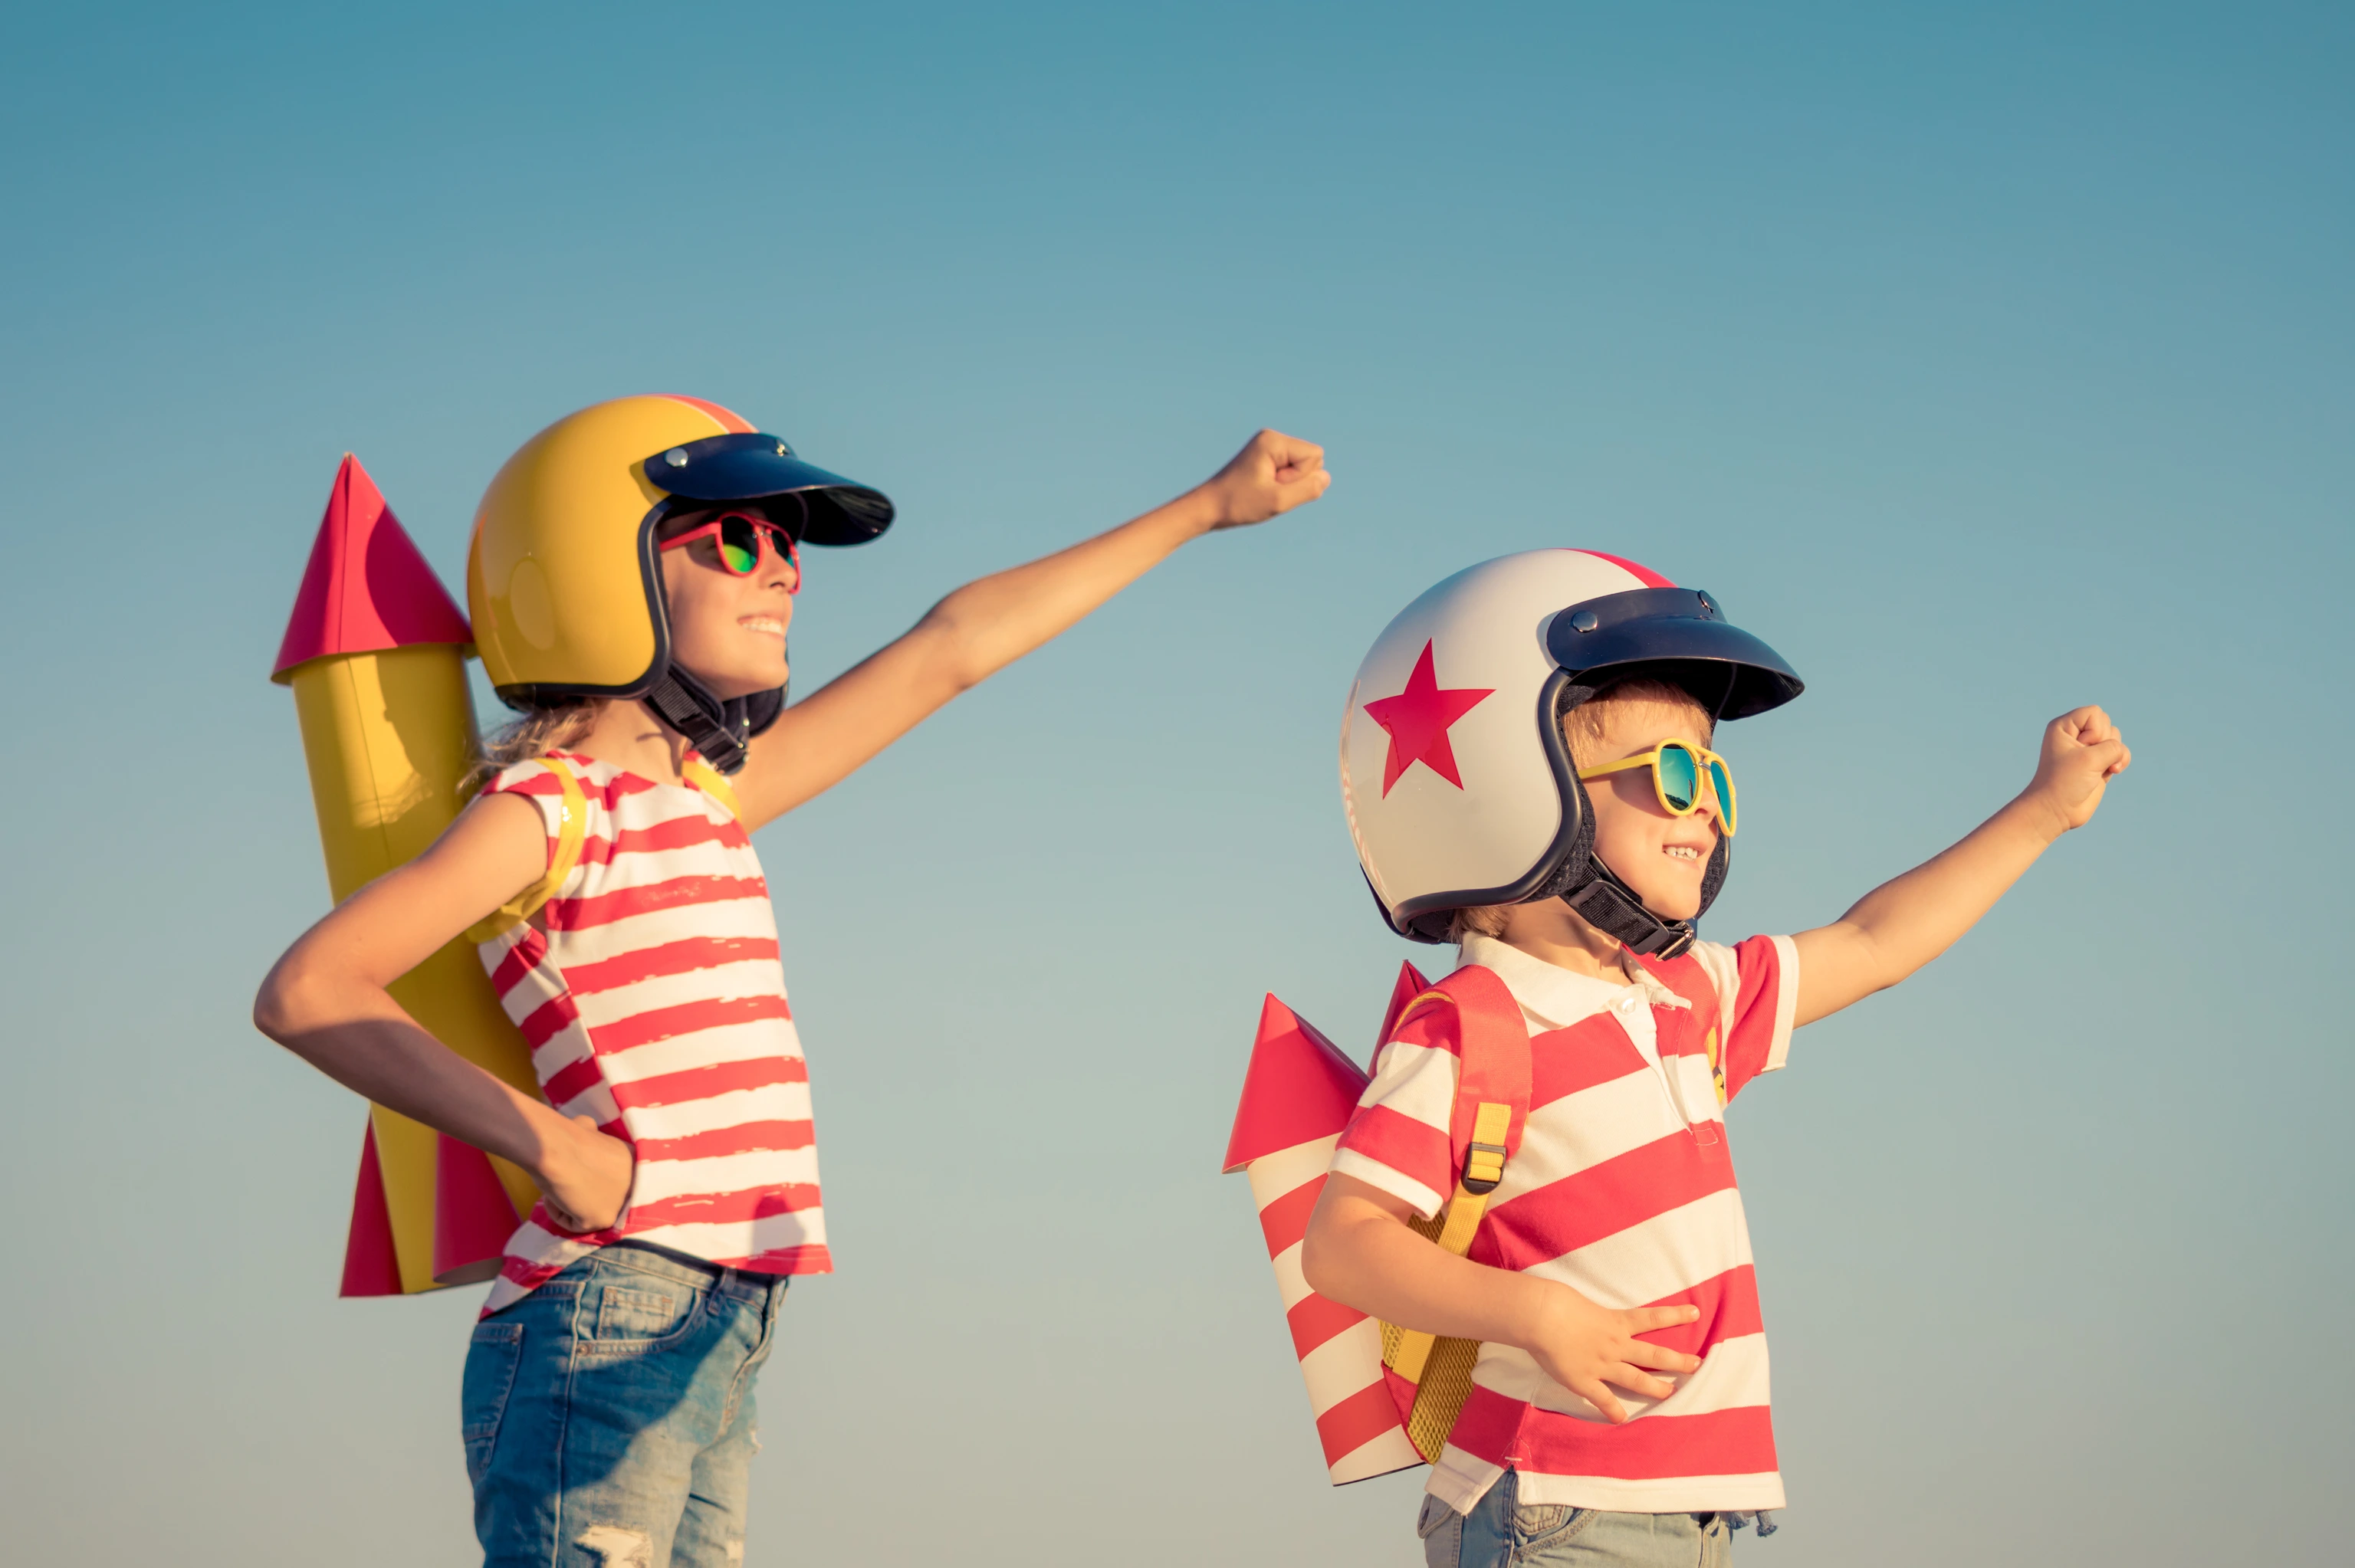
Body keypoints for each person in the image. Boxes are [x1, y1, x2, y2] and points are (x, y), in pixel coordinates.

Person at [253, 395, 1330, 1567]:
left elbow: (951, 647)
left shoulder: (708, 805)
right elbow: (311, 987)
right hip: (611, 1304)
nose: (785, 571)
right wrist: (559, 1150)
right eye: (735, 536)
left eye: (789, 544)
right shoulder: (553, 811)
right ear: (591, 565)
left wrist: (1205, 508)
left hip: (729, 1313)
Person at [1299, 549, 2127, 1568]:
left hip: (1692, 1516)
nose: (1706, 805)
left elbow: (1872, 944)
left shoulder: (1684, 1000)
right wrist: (1539, 1313)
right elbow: (1343, 1244)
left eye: (1714, 775)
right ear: (1518, 787)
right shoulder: (1471, 1025)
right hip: (1557, 1509)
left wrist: (2043, 809)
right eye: (1672, 772)